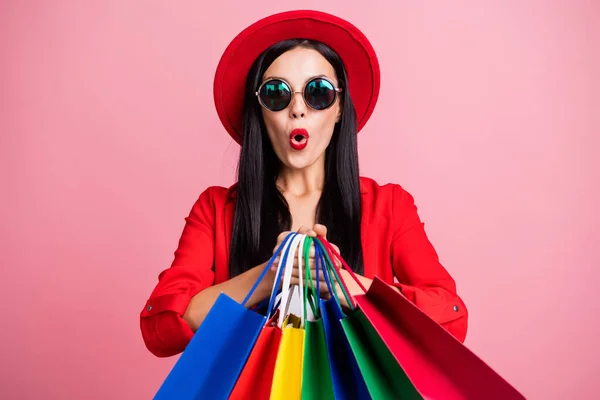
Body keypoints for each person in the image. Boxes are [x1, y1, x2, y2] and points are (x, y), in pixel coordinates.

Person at [140, 10, 468, 358]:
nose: (298, 109)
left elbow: (450, 317)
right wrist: (270, 276)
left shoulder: (388, 205)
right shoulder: (216, 209)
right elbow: (162, 326)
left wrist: (350, 286)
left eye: (318, 92)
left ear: (340, 107)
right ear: (260, 110)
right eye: (278, 94)